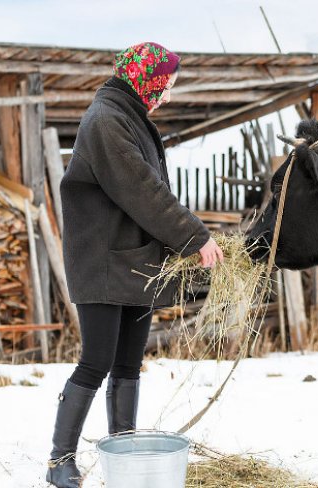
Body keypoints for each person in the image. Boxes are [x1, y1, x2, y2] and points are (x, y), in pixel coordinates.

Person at [46, 42, 223, 488]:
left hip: (135, 263)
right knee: (96, 362)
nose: (167, 94)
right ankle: (58, 461)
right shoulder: (107, 120)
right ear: (148, 80)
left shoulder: (128, 117)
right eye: (166, 85)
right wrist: (193, 236)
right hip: (103, 264)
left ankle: (121, 451)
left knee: (128, 365)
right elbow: (143, 190)